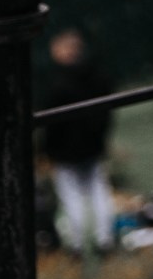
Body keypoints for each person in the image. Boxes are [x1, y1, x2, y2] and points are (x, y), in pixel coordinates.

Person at [40, 28, 117, 255]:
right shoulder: (97, 75)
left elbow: (52, 122)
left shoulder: (59, 83)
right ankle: (104, 238)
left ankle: (78, 243)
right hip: (92, 145)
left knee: (72, 194)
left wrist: (48, 149)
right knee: (98, 190)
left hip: (67, 150)